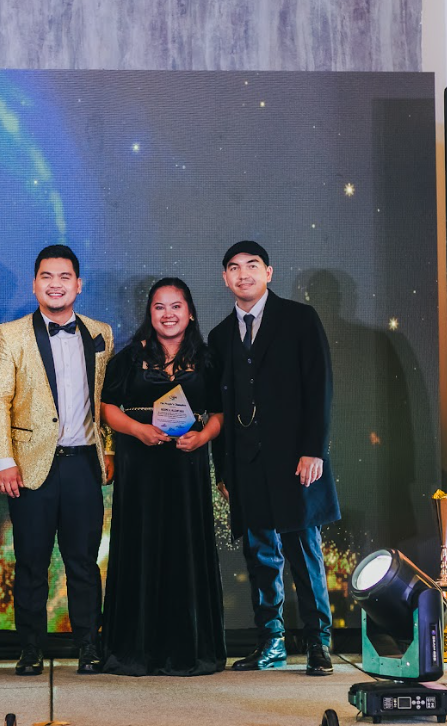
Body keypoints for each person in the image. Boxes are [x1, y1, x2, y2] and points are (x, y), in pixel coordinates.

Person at [208, 240, 340, 676]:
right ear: (225, 278)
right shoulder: (220, 336)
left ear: (269, 272)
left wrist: (313, 450)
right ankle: (271, 643)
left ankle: (319, 642)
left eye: (252, 265)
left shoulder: (299, 319)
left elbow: (319, 386)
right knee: (261, 556)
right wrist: (224, 470)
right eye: (234, 268)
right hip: (246, 465)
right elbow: (219, 409)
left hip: (296, 461)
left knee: (304, 552)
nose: (243, 274)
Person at [0, 244, 114, 676]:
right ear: (34, 283)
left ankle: (89, 646)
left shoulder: (100, 333)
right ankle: (30, 648)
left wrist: (109, 449)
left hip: (83, 465)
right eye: (47, 276)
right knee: (31, 563)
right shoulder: (10, 334)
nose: (55, 284)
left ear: (78, 284)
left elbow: (106, 398)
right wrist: (3, 460)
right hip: (29, 465)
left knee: (84, 563)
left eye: (64, 277)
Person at [99, 278, 226, 676]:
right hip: (140, 467)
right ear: (149, 313)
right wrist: (138, 430)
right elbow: (108, 407)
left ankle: (187, 651)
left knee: (184, 548)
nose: (168, 314)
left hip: (187, 467)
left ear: (190, 313)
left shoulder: (208, 359)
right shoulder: (129, 357)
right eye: (159, 307)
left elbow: (219, 413)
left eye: (176, 306)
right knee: (140, 546)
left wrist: (203, 436)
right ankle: (136, 651)